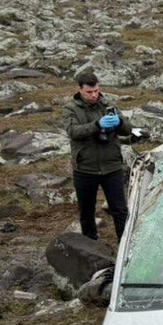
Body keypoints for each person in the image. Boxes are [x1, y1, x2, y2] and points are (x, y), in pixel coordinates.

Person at [62, 72, 132, 242]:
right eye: (89, 92)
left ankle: (125, 247)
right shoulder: (70, 108)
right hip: (85, 168)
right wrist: (97, 125)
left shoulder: (109, 104)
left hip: (112, 166)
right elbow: (73, 132)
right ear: (80, 90)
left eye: (96, 91)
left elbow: (128, 129)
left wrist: (120, 123)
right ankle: (90, 246)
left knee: (120, 211)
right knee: (86, 212)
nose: (94, 95)